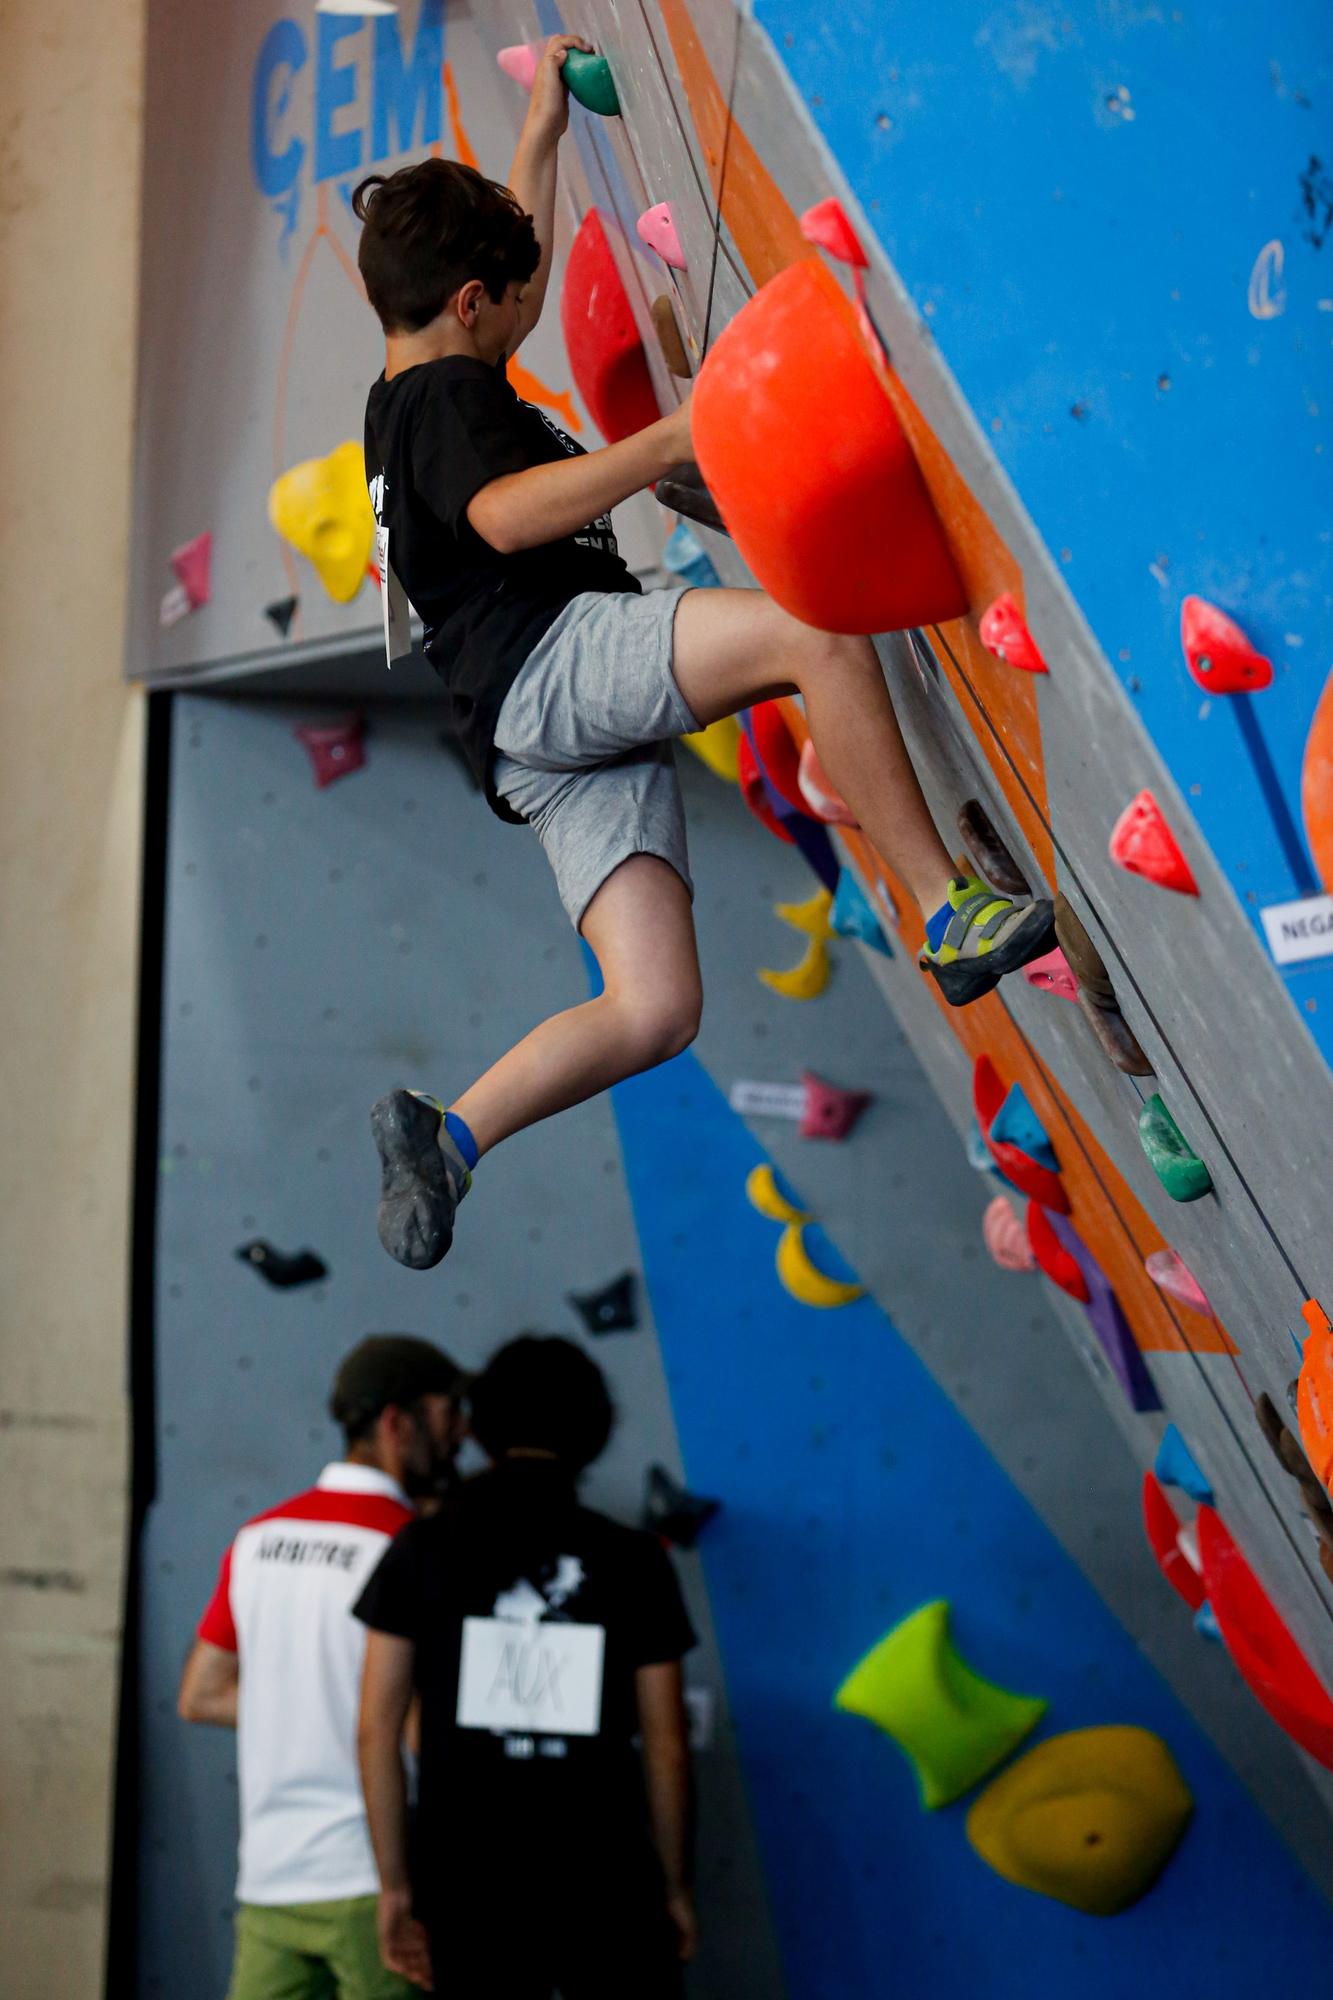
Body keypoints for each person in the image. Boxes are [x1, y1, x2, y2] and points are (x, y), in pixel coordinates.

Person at [355, 36, 1055, 1273]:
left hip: (526, 740)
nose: (520, 310)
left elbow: (497, 290)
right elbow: (513, 517)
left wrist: (540, 128)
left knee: (654, 1008)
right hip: (551, 663)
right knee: (810, 631)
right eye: (511, 293)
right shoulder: (450, 404)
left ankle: (452, 1133)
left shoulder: (403, 392)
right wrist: (678, 434)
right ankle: (952, 910)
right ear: (470, 301)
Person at [355, 1335, 696, 1998]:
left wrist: (396, 1885)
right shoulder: (633, 1558)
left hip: (466, 1882)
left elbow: (376, 1729)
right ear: (593, 1430)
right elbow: (666, 1745)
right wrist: (675, 1883)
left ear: (479, 1428)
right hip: (606, 1878)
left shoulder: (420, 1548)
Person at [178, 1335, 466, 2000]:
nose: (462, 1434)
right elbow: (423, 1733)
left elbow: (201, 1695)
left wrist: (303, 1705)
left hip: (270, 1881)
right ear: (398, 1423)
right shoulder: (413, 1549)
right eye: (449, 1413)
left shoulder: (259, 1539)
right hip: (377, 1885)